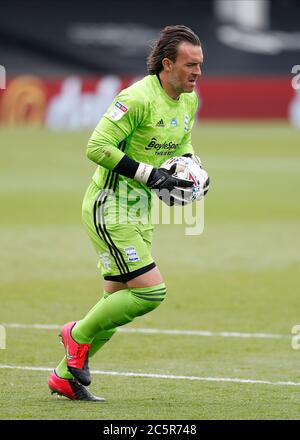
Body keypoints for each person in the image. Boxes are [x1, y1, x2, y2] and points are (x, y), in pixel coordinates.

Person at [48, 24, 208, 401]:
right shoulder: (136, 98)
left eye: (200, 64)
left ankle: (63, 377)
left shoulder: (189, 100)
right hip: (109, 205)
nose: (197, 72)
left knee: (116, 302)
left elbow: (182, 141)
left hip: (139, 210)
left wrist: (188, 170)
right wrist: (152, 174)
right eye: (190, 65)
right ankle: (76, 334)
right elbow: (97, 146)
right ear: (167, 64)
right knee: (150, 292)